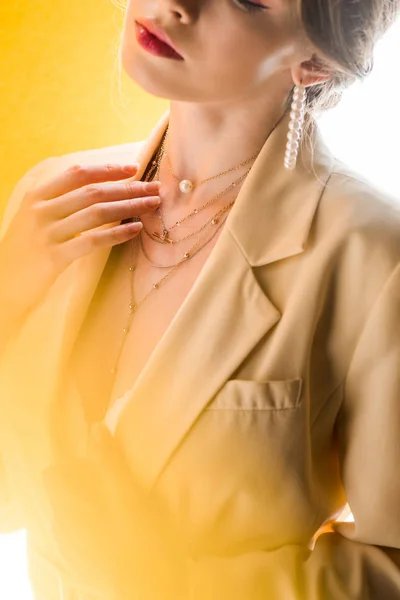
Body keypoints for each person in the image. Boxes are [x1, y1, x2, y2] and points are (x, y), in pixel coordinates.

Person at [0, 0, 400, 598]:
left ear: (315, 59)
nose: (175, 4)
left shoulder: (372, 256)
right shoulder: (50, 203)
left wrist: (171, 586)